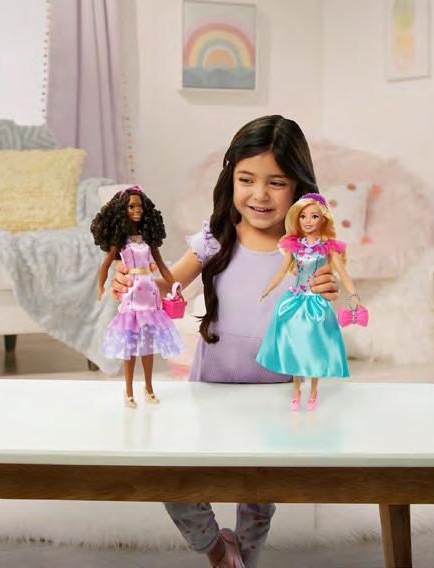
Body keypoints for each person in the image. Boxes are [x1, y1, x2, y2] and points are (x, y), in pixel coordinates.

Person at [107, 115, 339, 567]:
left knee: (258, 499)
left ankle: (242, 561)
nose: (260, 194)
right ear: (230, 178)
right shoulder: (216, 238)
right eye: (247, 179)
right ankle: (217, 550)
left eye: (276, 182)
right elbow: (169, 281)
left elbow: (327, 306)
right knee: (176, 482)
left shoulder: (305, 249)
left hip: (276, 395)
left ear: (298, 186)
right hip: (211, 390)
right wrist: (131, 280)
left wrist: (331, 294)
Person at [258, 193, 359, 410]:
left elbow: (343, 273)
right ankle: (296, 392)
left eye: (314, 216)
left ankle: (313, 393)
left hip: (316, 303)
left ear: (323, 219)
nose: (308, 221)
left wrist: (353, 295)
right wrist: (268, 289)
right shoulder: (294, 246)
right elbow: (282, 271)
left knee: (314, 347)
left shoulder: (328, 248)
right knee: (294, 345)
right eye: (303, 216)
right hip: (295, 300)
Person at [91, 185, 185, 409]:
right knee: (130, 347)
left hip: (150, 294)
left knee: (148, 346)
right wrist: (101, 285)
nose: (137, 210)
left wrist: (175, 286)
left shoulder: (147, 240)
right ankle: (129, 391)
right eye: (131, 206)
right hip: (132, 294)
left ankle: (149, 388)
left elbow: (162, 266)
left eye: (139, 206)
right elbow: (105, 264)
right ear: (122, 211)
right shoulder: (121, 242)